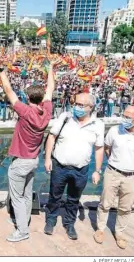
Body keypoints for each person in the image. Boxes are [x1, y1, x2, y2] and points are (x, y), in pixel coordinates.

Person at [0, 56, 56, 242]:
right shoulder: (46, 111)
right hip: (33, 160)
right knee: (27, 194)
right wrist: (51, 68)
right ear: (41, 98)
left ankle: (22, 231)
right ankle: (24, 221)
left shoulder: (25, 111)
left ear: (28, 97)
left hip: (21, 162)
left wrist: (0, 69)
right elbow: (51, 89)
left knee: (17, 197)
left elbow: (8, 90)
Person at [44, 93, 105, 240]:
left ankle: (69, 223)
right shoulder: (65, 117)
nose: (76, 107)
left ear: (91, 107)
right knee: (54, 195)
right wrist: (47, 159)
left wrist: (97, 170)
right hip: (60, 166)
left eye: (81, 105)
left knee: (74, 199)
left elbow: (99, 148)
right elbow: (51, 137)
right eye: (75, 103)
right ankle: (51, 219)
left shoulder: (98, 125)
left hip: (81, 169)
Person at [93, 105, 134, 249]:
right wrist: (114, 160)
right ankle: (100, 229)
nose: (124, 119)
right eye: (124, 115)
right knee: (105, 203)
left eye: (128, 117)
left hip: (133, 176)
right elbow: (106, 147)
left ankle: (120, 233)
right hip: (113, 172)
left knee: (126, 207)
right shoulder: (114, 130)